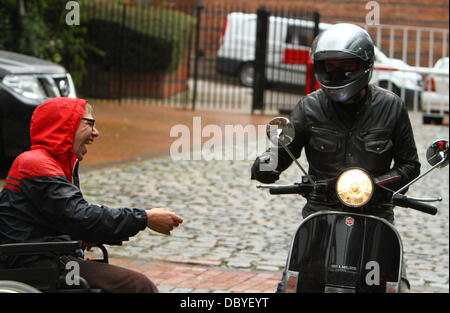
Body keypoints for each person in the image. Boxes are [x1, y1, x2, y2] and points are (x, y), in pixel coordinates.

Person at [251, 23, 420, 292]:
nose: (337, 71)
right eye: (329, 66)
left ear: (364, 65)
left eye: (345, 65)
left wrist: (377, 186)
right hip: (320, 212)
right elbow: (282, 155)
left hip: (376, 212)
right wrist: (267, 162)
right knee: (292, 286)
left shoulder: (391, 106)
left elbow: (409, 165)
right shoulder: (309, 107)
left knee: (396, 288)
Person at [0, 97, 183, 293]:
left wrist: (78, 235)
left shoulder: (53, 165)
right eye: (89, 123)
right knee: (139, 286)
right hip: (37, 263)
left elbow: (61, 217)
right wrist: (145, 218)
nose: (96, 132)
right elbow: (80, 217)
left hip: (46, 256)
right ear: (65, 125)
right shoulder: (37, 163)